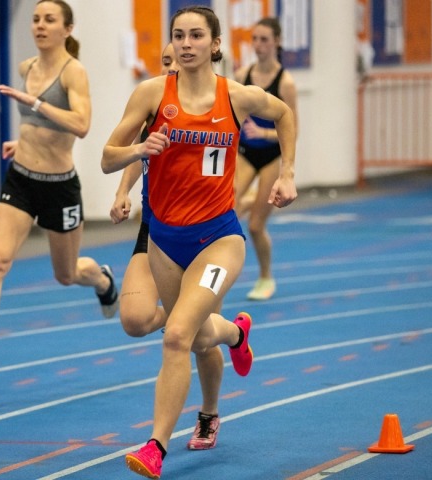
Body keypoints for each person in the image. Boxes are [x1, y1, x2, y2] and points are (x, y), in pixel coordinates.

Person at [101, 6, 297, 478]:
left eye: (195, 36)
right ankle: (235, 332)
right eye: (178, 35)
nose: (185, 43)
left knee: (175, 336)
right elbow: (108, 158)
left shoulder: (237, 97)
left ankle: (154, 447)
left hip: (218, 238)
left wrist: (287, 171)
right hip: (164, 241)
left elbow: (285, 113)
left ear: (214, 45)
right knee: (198, 334)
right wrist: (138, 151)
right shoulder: (151, 94)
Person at [0, 0, 118, 373]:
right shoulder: (26, 68)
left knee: (67, 273)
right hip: (22, 179)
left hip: (59, 187)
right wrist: (21, 140)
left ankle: (103, 280)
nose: (40, 26)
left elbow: (81, 124)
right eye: (36, 19)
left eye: (50, 20)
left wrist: (35, 103)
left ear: (67, 29)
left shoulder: (74, 73)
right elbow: (33, 124)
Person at [109, 42, 225, 451]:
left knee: (194, 338)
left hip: (205, 235)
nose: (174, 66)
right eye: (165, 61)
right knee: (136, 320)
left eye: (180, 58)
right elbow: (138, 156)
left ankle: (208, 413)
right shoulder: (152, 101)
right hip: (155, 231)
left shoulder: (213, 107)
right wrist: (123, 192)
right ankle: (235, 332)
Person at [233, 17, 298, 300]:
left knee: (256, 225)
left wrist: (263, 131)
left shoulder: (286, 82)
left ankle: (265, 277)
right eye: (255, 39)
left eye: (264, 39)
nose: (258, 45)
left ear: (277, 42)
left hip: (272, 157)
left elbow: (293, 130)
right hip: (246, 154)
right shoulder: (242, 74)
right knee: (227, 210)